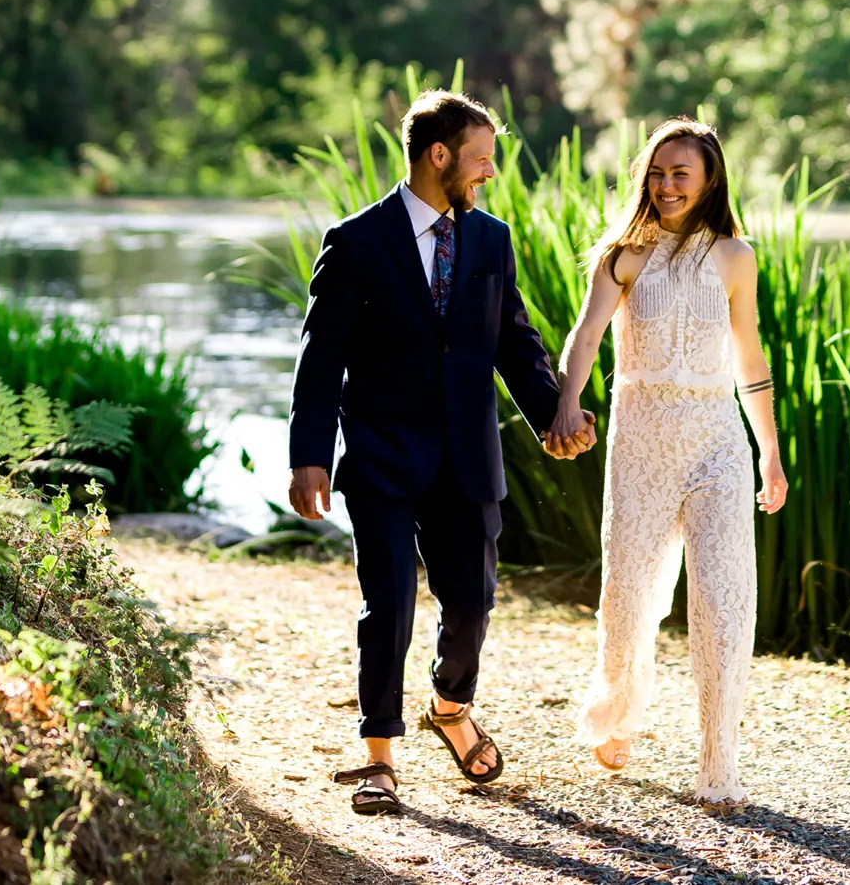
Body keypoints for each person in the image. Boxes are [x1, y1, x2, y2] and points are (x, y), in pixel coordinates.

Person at [287, 89, 593, 814]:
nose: (488, 172)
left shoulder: (491, 240)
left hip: (468, 456)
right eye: (481, 158)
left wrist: (555, 414)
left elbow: (512, 342)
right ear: (439, 155)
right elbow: (319, 358)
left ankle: (450, 708)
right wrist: (310, 457)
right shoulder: (357, 241)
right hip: (384, 455)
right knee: (386, 602)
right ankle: (379, 756)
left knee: (474, 602)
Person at [548, 117, 788, 806]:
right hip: (642, 439)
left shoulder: (735, 257)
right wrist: (568, 403)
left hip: (717, 442)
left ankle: (719, 760)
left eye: (681, 173)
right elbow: (586, 333)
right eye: (657, 172)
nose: (667, 184)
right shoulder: (624, 255)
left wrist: (769, 452)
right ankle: (615, 711)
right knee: (627, 595)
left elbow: (750, 359)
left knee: (722, 600)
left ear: (709, 178)